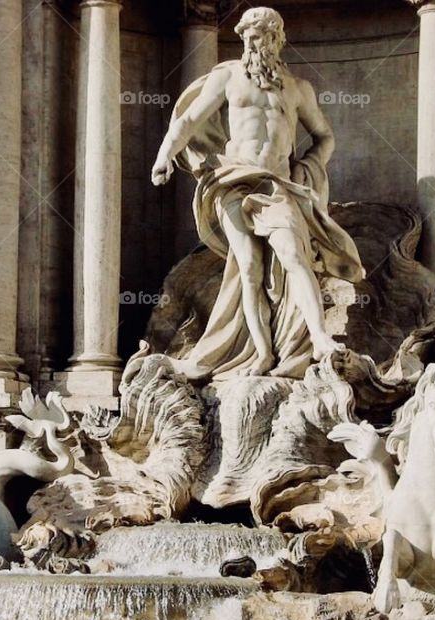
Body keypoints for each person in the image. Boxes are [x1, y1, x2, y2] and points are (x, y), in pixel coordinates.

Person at [151, 7, 362, 379]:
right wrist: (164, 156)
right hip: (232, 178)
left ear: (277, 39)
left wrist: (308, 167)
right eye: (247, 33)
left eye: (260, 34)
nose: (251, 40)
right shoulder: (228, 77)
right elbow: (188, 120)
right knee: (247, 267)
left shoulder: (297, 89)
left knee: (294, 256)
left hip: (275, 184)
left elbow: (325, 136)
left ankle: (319, 339)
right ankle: (262, 353)